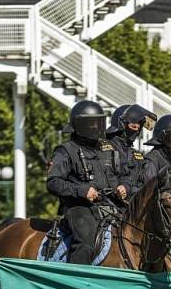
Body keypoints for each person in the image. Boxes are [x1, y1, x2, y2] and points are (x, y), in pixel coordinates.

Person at [47, 100, 130, 265]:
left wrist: (124, 186)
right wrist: (82, 191)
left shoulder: (109, 148)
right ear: (80, 125)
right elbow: (53, 182)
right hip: (79, 207)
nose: (96, 127)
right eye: (91, 123)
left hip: (113, 205)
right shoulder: (65, 151)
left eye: (98, 122)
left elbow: (125, 175)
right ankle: (74, 284)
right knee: (86, 243)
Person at [106, 104, 157, 197]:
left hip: (134, 204)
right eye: (134, 125)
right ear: (122, 124)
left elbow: (144, 182)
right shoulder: (105, 148)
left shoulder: (136, 155)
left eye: (140, 125)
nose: (137, 128)